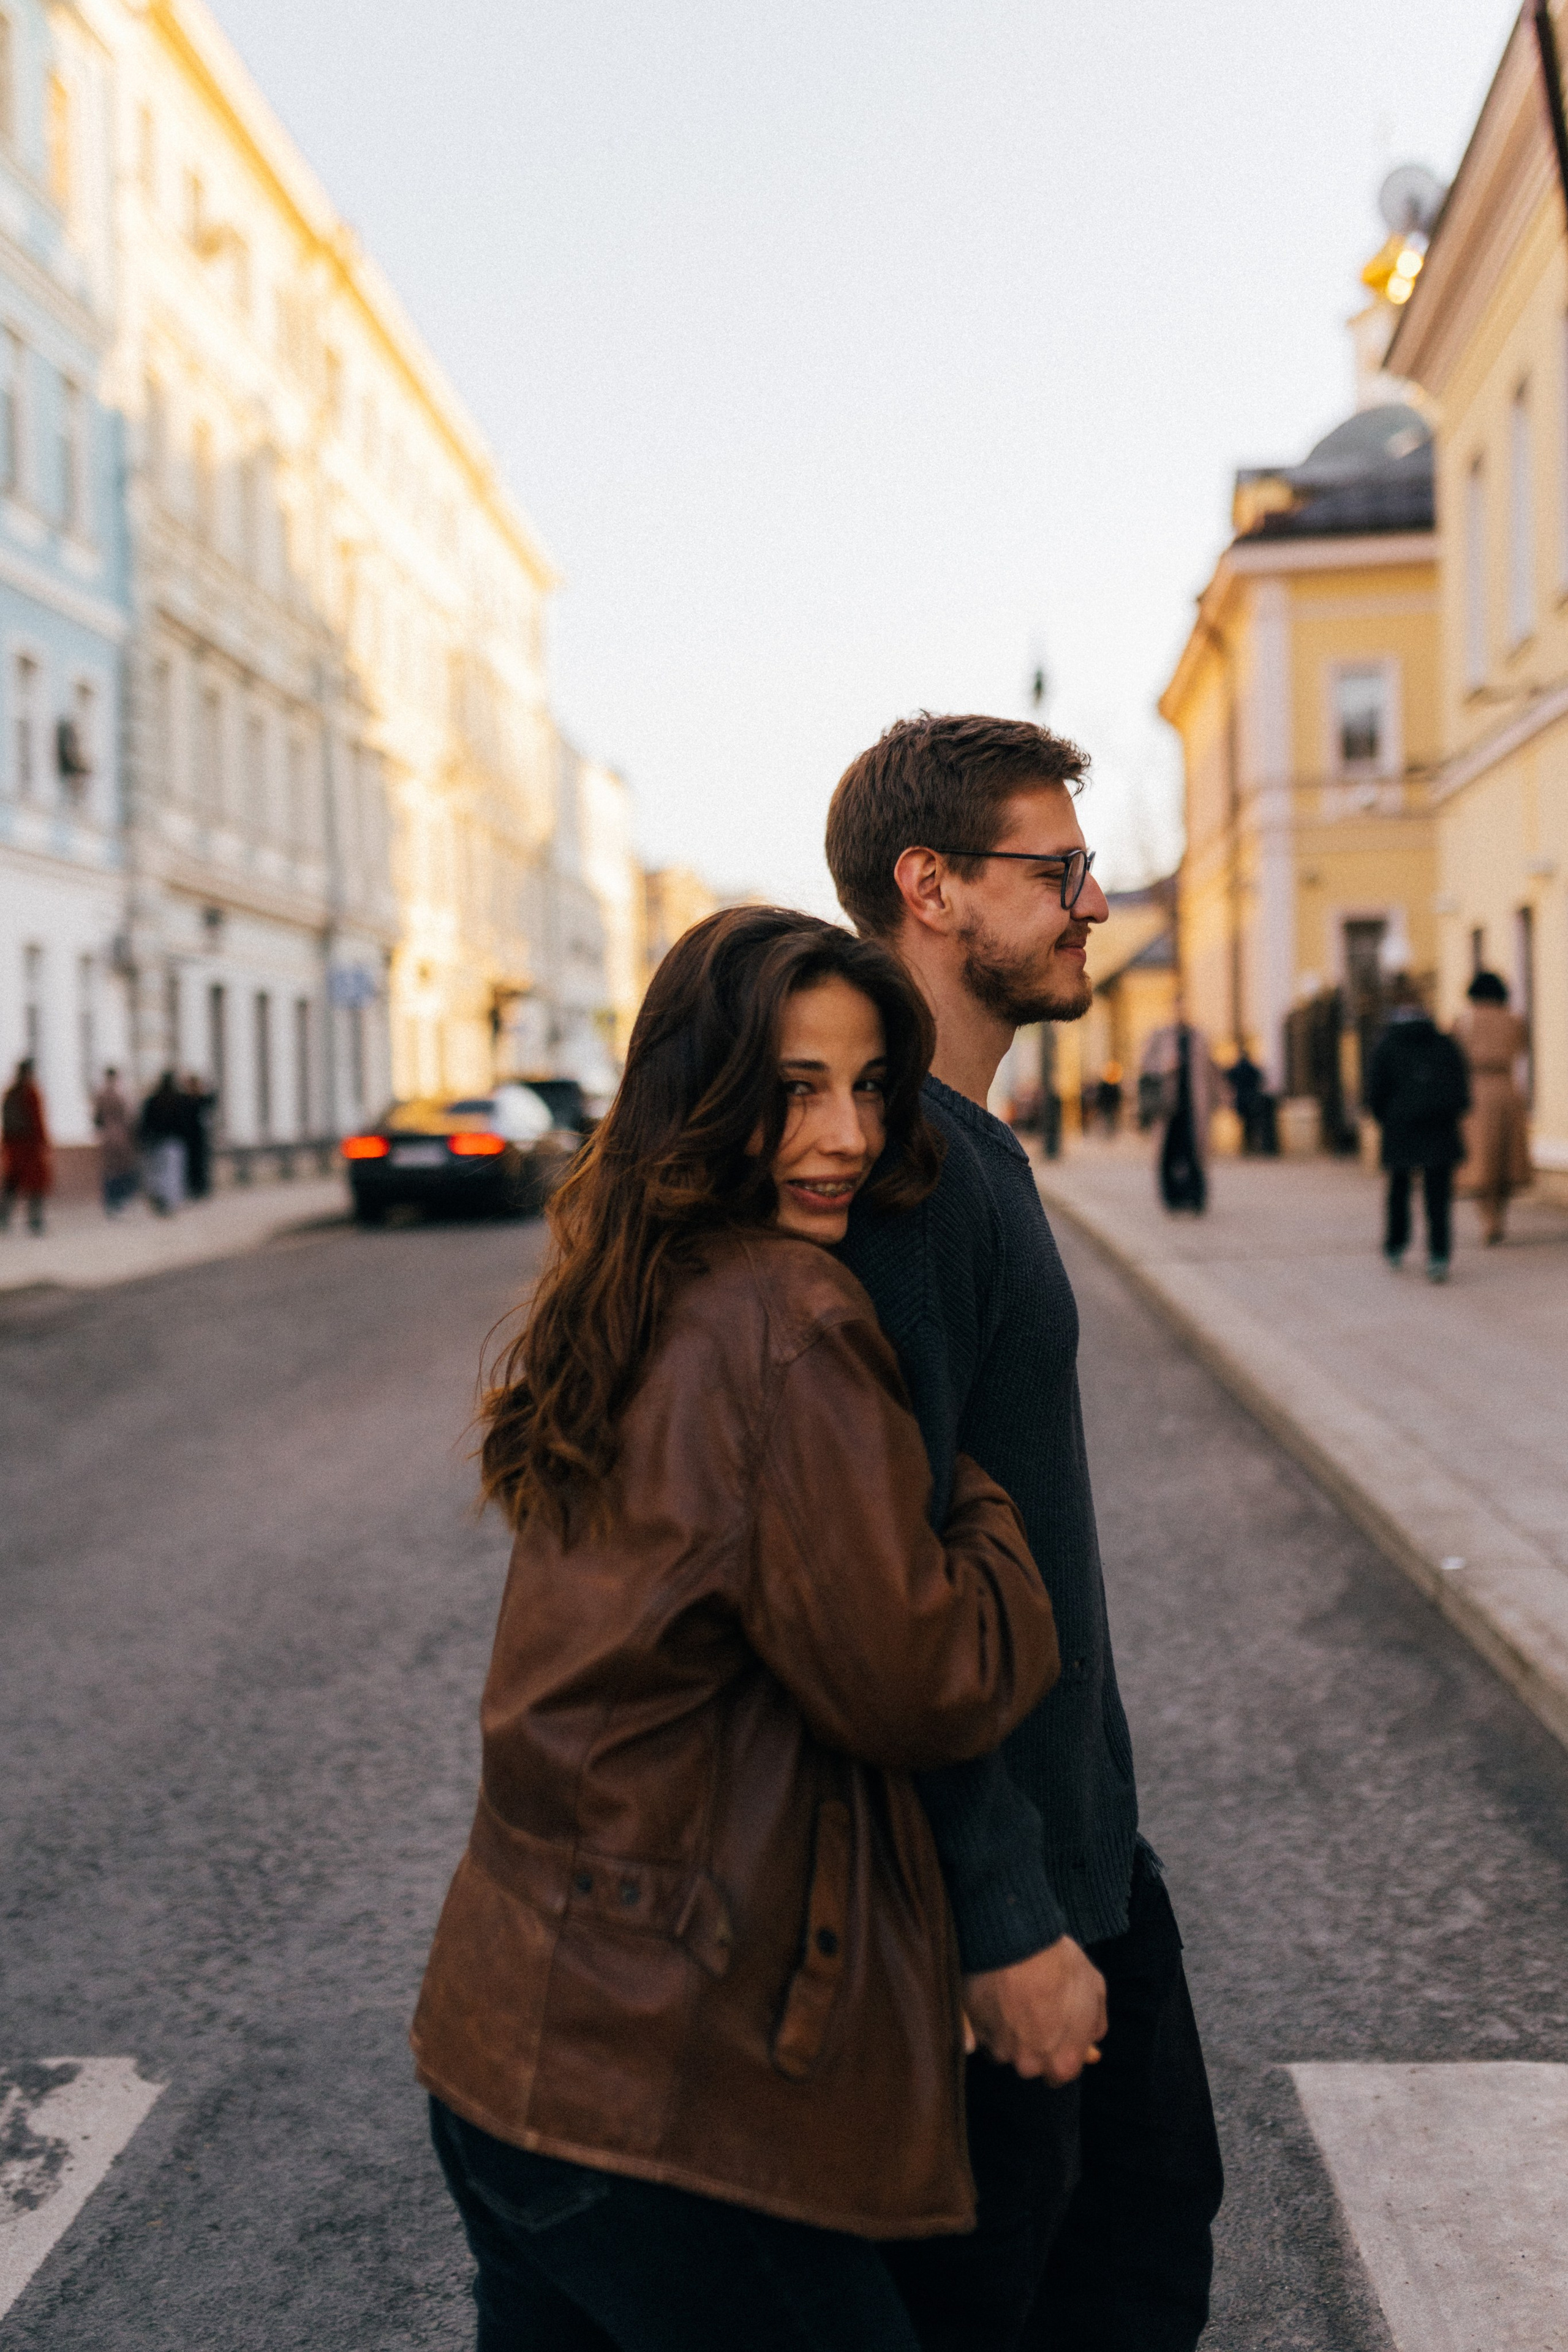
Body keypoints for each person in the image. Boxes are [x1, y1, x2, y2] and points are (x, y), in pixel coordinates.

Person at [413, 907, 1062, 2352]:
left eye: (868, 1085)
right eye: (792, 1089)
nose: (841, 1133)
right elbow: (919, 1677)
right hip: (661, 2093)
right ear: (708, 1098)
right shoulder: (782, 1318)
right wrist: (982, 1505)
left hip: (505, 2039)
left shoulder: (630, 1284)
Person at [826, 714, 1222, 2352]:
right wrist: (1002, 1910)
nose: (1092, 902)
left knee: (1139, 2235)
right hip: (984, 1904)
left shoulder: (968, 1144)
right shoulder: (909, 1166)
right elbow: (884, 1582)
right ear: (931, 887)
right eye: (1055, 869)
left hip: (1070, 1851)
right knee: (1050, 2292)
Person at [1366, 973, 1469, 1283]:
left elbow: (1375, 1093)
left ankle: (1396, 1244)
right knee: (1438, 1194)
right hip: (1439, 1126)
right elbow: (1461, 1088)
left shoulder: (1386, 1046)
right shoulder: (1444, 1043)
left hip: (1401, 1126)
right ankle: (1439, 1255)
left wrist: (1387, 1118)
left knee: (1399, 1188)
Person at [1454, 970, 1531, 1244]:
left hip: (1476, 1091)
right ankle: (1500, 1217)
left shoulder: (1466, 1020)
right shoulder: (1514, 1020)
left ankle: (1487, 1219)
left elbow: (1455, 1053)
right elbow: (1523, 1048)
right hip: (1508, 1088)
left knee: (1481, 1159)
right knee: (1506, 1158)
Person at [1143, 1011, 1221, 1213]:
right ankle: (1172, 1200)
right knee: (1168, 1156)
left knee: (1195, 1154)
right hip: (1168, 1110)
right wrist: (1164, 1066)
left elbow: (1211, 1070)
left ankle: (1196, 1198)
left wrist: (1219, 1099)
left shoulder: (1199, 1037)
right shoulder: (1160, 1036)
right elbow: (1145, 1065)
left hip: (1194, 1109)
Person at [1, 1058, 52, 1234]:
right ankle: (35, 1221)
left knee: (11, 1184)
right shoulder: (31, 1093)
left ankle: (3, 1218)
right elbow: (38, 1120)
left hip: (14, 1147)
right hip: (29, 1147)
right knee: (36, 1185)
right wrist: (44, 1142)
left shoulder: (11, 1093)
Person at [92, 1068, 140, 1215]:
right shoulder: (120, 1096)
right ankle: (118, 1198)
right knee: (120, 1168)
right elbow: (128, 1117)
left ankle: (111, 1200)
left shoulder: (102, 1095)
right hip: (120, 1134)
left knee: (110, 1169)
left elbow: (97, 1118)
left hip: (107, 1135)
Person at [139, 1071, 188, 1215]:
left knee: (159, 1172)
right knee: (173, 1173)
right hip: (174, 1142)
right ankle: (170, 1203)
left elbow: (146, 1123)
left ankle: (161, 1199)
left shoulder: (154, 1101)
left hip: (156, 1142)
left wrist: (146, 1139)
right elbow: (184, 1122)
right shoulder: (179, 1101)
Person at [179, 1073, 217, 1198]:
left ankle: (202, 1189)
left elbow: (213, 1101)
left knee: (202, 1164)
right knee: (191, 1165)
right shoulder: (185, 1100)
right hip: (189, 1138)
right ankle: (193, 1188)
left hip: (200, 1138)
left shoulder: (202, 1099)